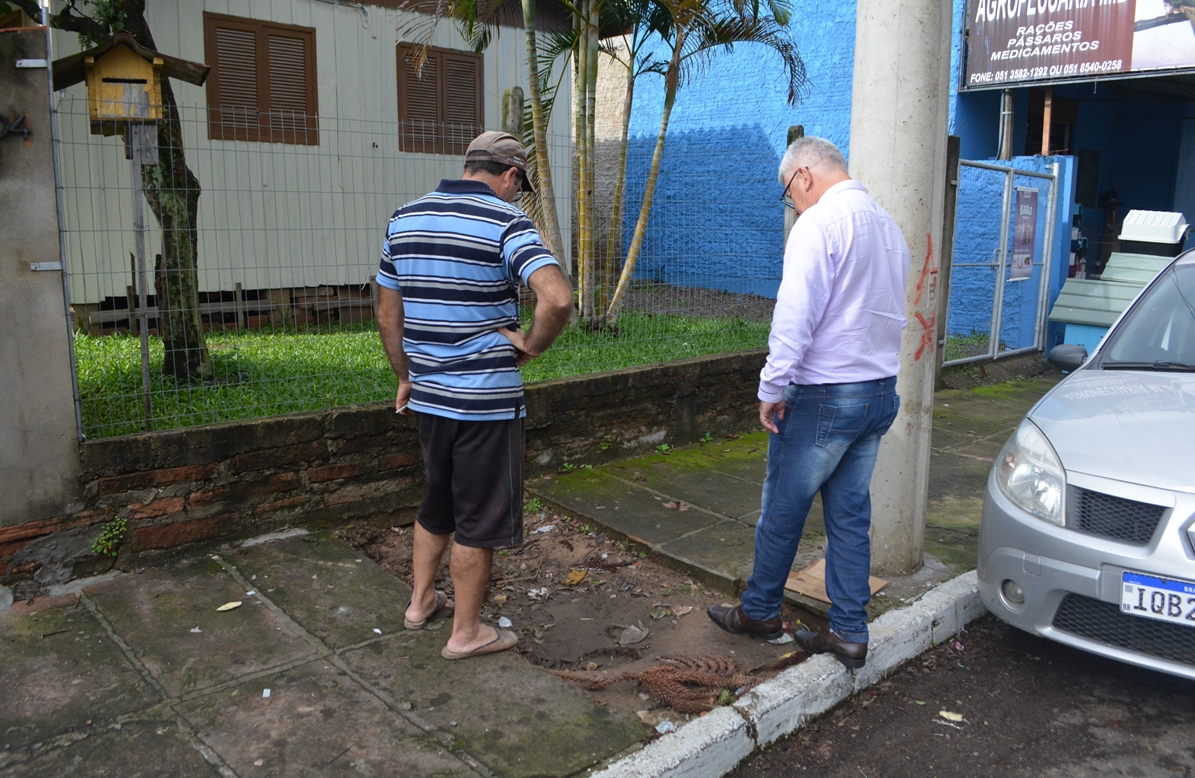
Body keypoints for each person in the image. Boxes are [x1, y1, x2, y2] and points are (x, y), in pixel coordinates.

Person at [706, 136, 909, 669]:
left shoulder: (818, 224)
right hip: (878, 392)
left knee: (783, 510)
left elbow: (794, 318)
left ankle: (761, 612)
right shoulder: (889, 228)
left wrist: (770, 389)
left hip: (824, 396)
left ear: (803, 176)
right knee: (848, 516)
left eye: (788, 194)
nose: (792, 204)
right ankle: (848, 631)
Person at [376, 131, 572, 660]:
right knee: (478, 519)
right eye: (518, 185)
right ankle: (465, 633)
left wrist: (404, 375)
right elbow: (556, 298)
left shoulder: (405, 217)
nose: (516, 195)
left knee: (436, 501)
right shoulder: (506, 222)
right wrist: (531, 345)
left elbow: (387, 314)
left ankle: (420, 604)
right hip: (484, 402)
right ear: (510, 176)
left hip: (429, 398)